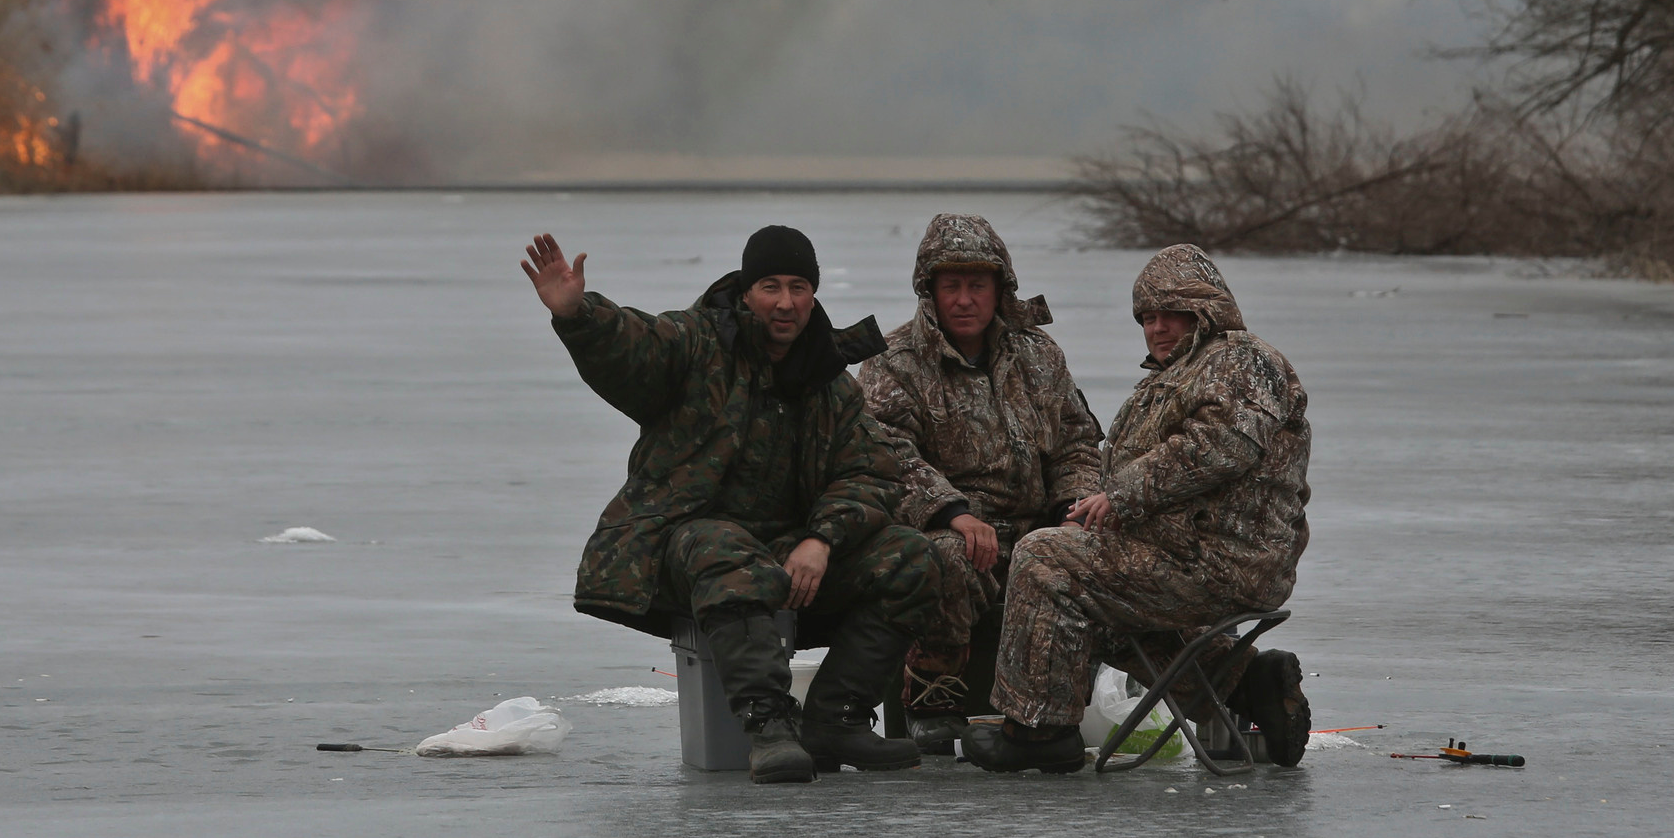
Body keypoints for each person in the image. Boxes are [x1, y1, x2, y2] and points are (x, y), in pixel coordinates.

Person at [523, 224, 936, 784]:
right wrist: (578, 314)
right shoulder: (695, 345)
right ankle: (768, 727)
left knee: (911, 558)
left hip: (788, 552)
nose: (785, 302)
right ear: (746, 292)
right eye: (770, 286)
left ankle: (835, 720)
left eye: (798, 287)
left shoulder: (830, 383)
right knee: (725, 548)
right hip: (689, 544)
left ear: (813, 295)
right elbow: (633, 346)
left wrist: (822, 539)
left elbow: (870, 472)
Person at [963, 244, 1313, 774]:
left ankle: (1038, 731)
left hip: (1219, 562)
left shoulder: (1239, 359)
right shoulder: (1177, 376)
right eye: (1148, 318)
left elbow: (1221, 444)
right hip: (1186, 552)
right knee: (1088, 613)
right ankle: (1248, 685)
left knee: (1041, 559)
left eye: (1172, 313)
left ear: (1205, 309)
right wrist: (1091, 509)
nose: (1157, 328)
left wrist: (1121, 496)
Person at [859, 214, 1102, 751]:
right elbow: (888, 455)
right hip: (942, 526)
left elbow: (1077, 442)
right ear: (930, 291)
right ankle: (932, 697)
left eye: (977, 285)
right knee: (947, 557)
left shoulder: (1038, 355)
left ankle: (1050, 715)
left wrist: (1073, 510)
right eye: (951, 286)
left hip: (1035, 524)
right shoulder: (894, 362)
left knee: (1100, 555)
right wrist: (954, 512)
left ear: (999, 289)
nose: (964, 300)